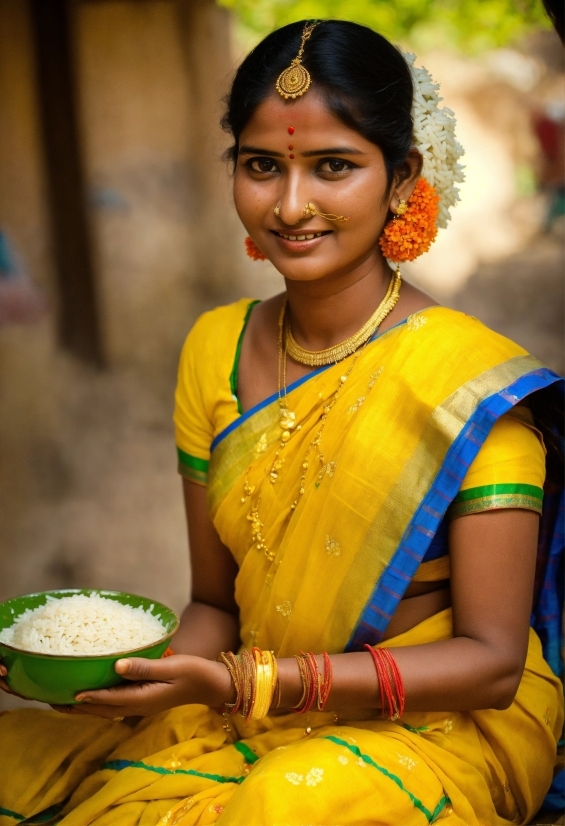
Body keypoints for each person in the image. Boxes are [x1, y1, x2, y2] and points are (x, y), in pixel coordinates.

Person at [0, 20, 562, 826]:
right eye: (262, 166)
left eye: (333, 166)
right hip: (257, 698)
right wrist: (123, 682)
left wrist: (250, 685)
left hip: (438, 727)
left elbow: (490, 666)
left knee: (272, 810)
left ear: (402, 178)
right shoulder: (213, 350)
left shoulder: (467, 386)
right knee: (18, 759)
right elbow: (214, 607)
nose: (291, 205)